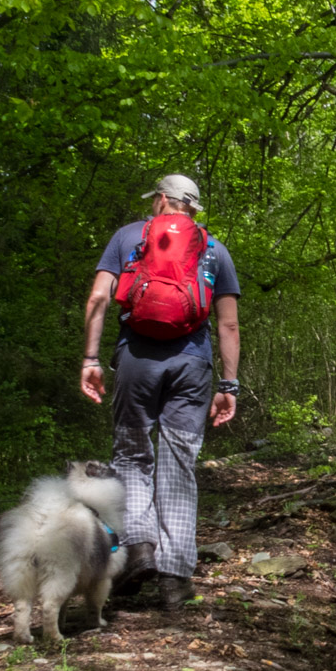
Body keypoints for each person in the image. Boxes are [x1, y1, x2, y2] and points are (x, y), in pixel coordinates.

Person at [79, 174, 241, 609]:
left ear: (162, 200)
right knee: (179, 464)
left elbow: (98, 298)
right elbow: (227, 323)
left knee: (132, 455)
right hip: (193, 363)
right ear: (192, 208)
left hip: (137, 358)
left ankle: (140, 547)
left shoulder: (128, 237)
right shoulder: (215, 249)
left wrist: (91, 359)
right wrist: (229, 385)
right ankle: (175, 578)